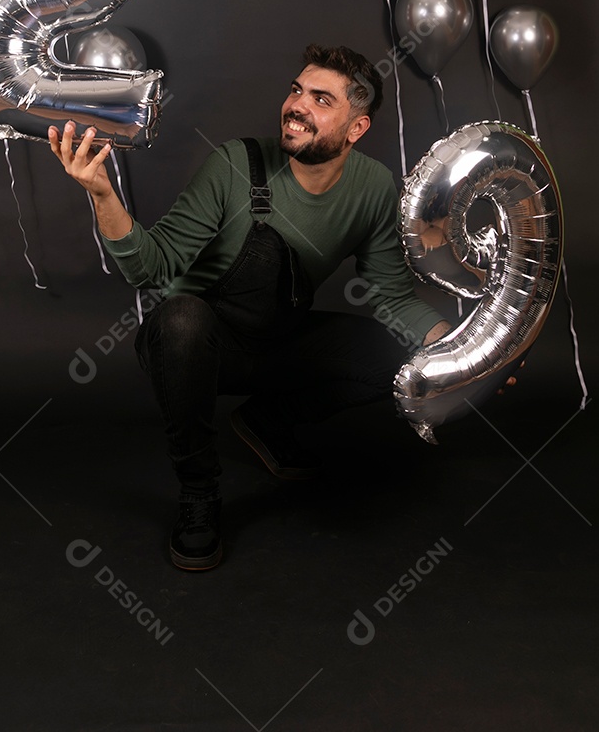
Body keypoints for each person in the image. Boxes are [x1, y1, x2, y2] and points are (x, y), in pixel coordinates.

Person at [48, 43, 453, 572]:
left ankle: (270, 420)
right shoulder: (234, 164)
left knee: (400, 359)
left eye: (321, 99)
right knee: (182, 318)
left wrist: (460, 350)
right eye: (296, 90)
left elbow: (392, 296)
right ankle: (198, 493)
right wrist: (103, 195)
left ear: (356, 128)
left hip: (278, 341)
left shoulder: (374, 188)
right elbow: (153, 267)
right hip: (196, 347)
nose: (297, 105)